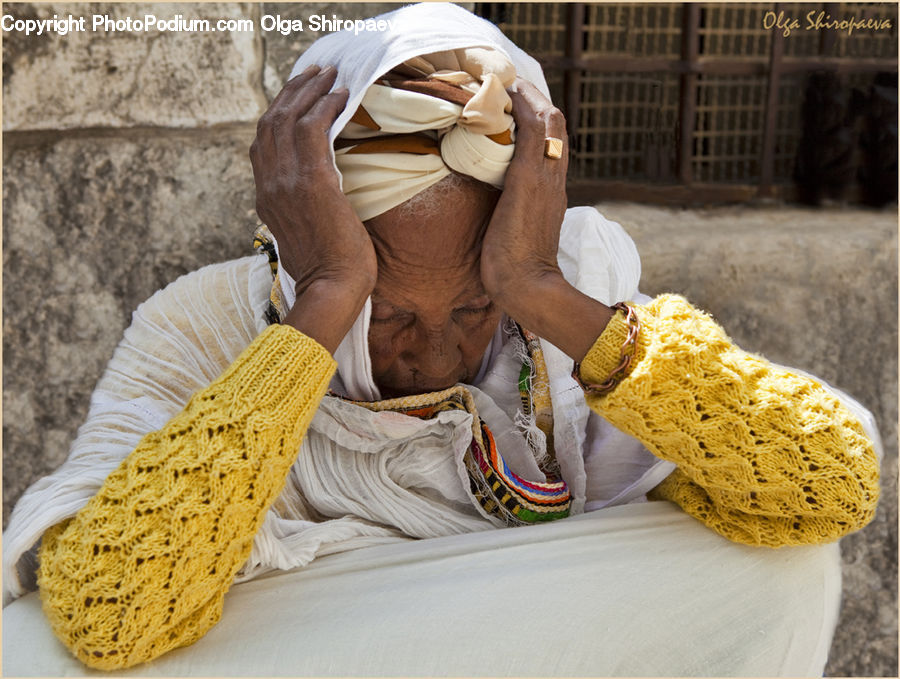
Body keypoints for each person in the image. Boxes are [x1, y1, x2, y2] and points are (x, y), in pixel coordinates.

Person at [2, 3, 881, 672]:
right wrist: (325, 307)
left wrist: (543, 294)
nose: (436, 358)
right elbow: (109, 610)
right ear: (296, 244)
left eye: (473, 308)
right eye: (387, 317)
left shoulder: (568, 314)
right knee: (25, 653)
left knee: (783, 561)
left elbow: (828, 485)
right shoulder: (204, 327)